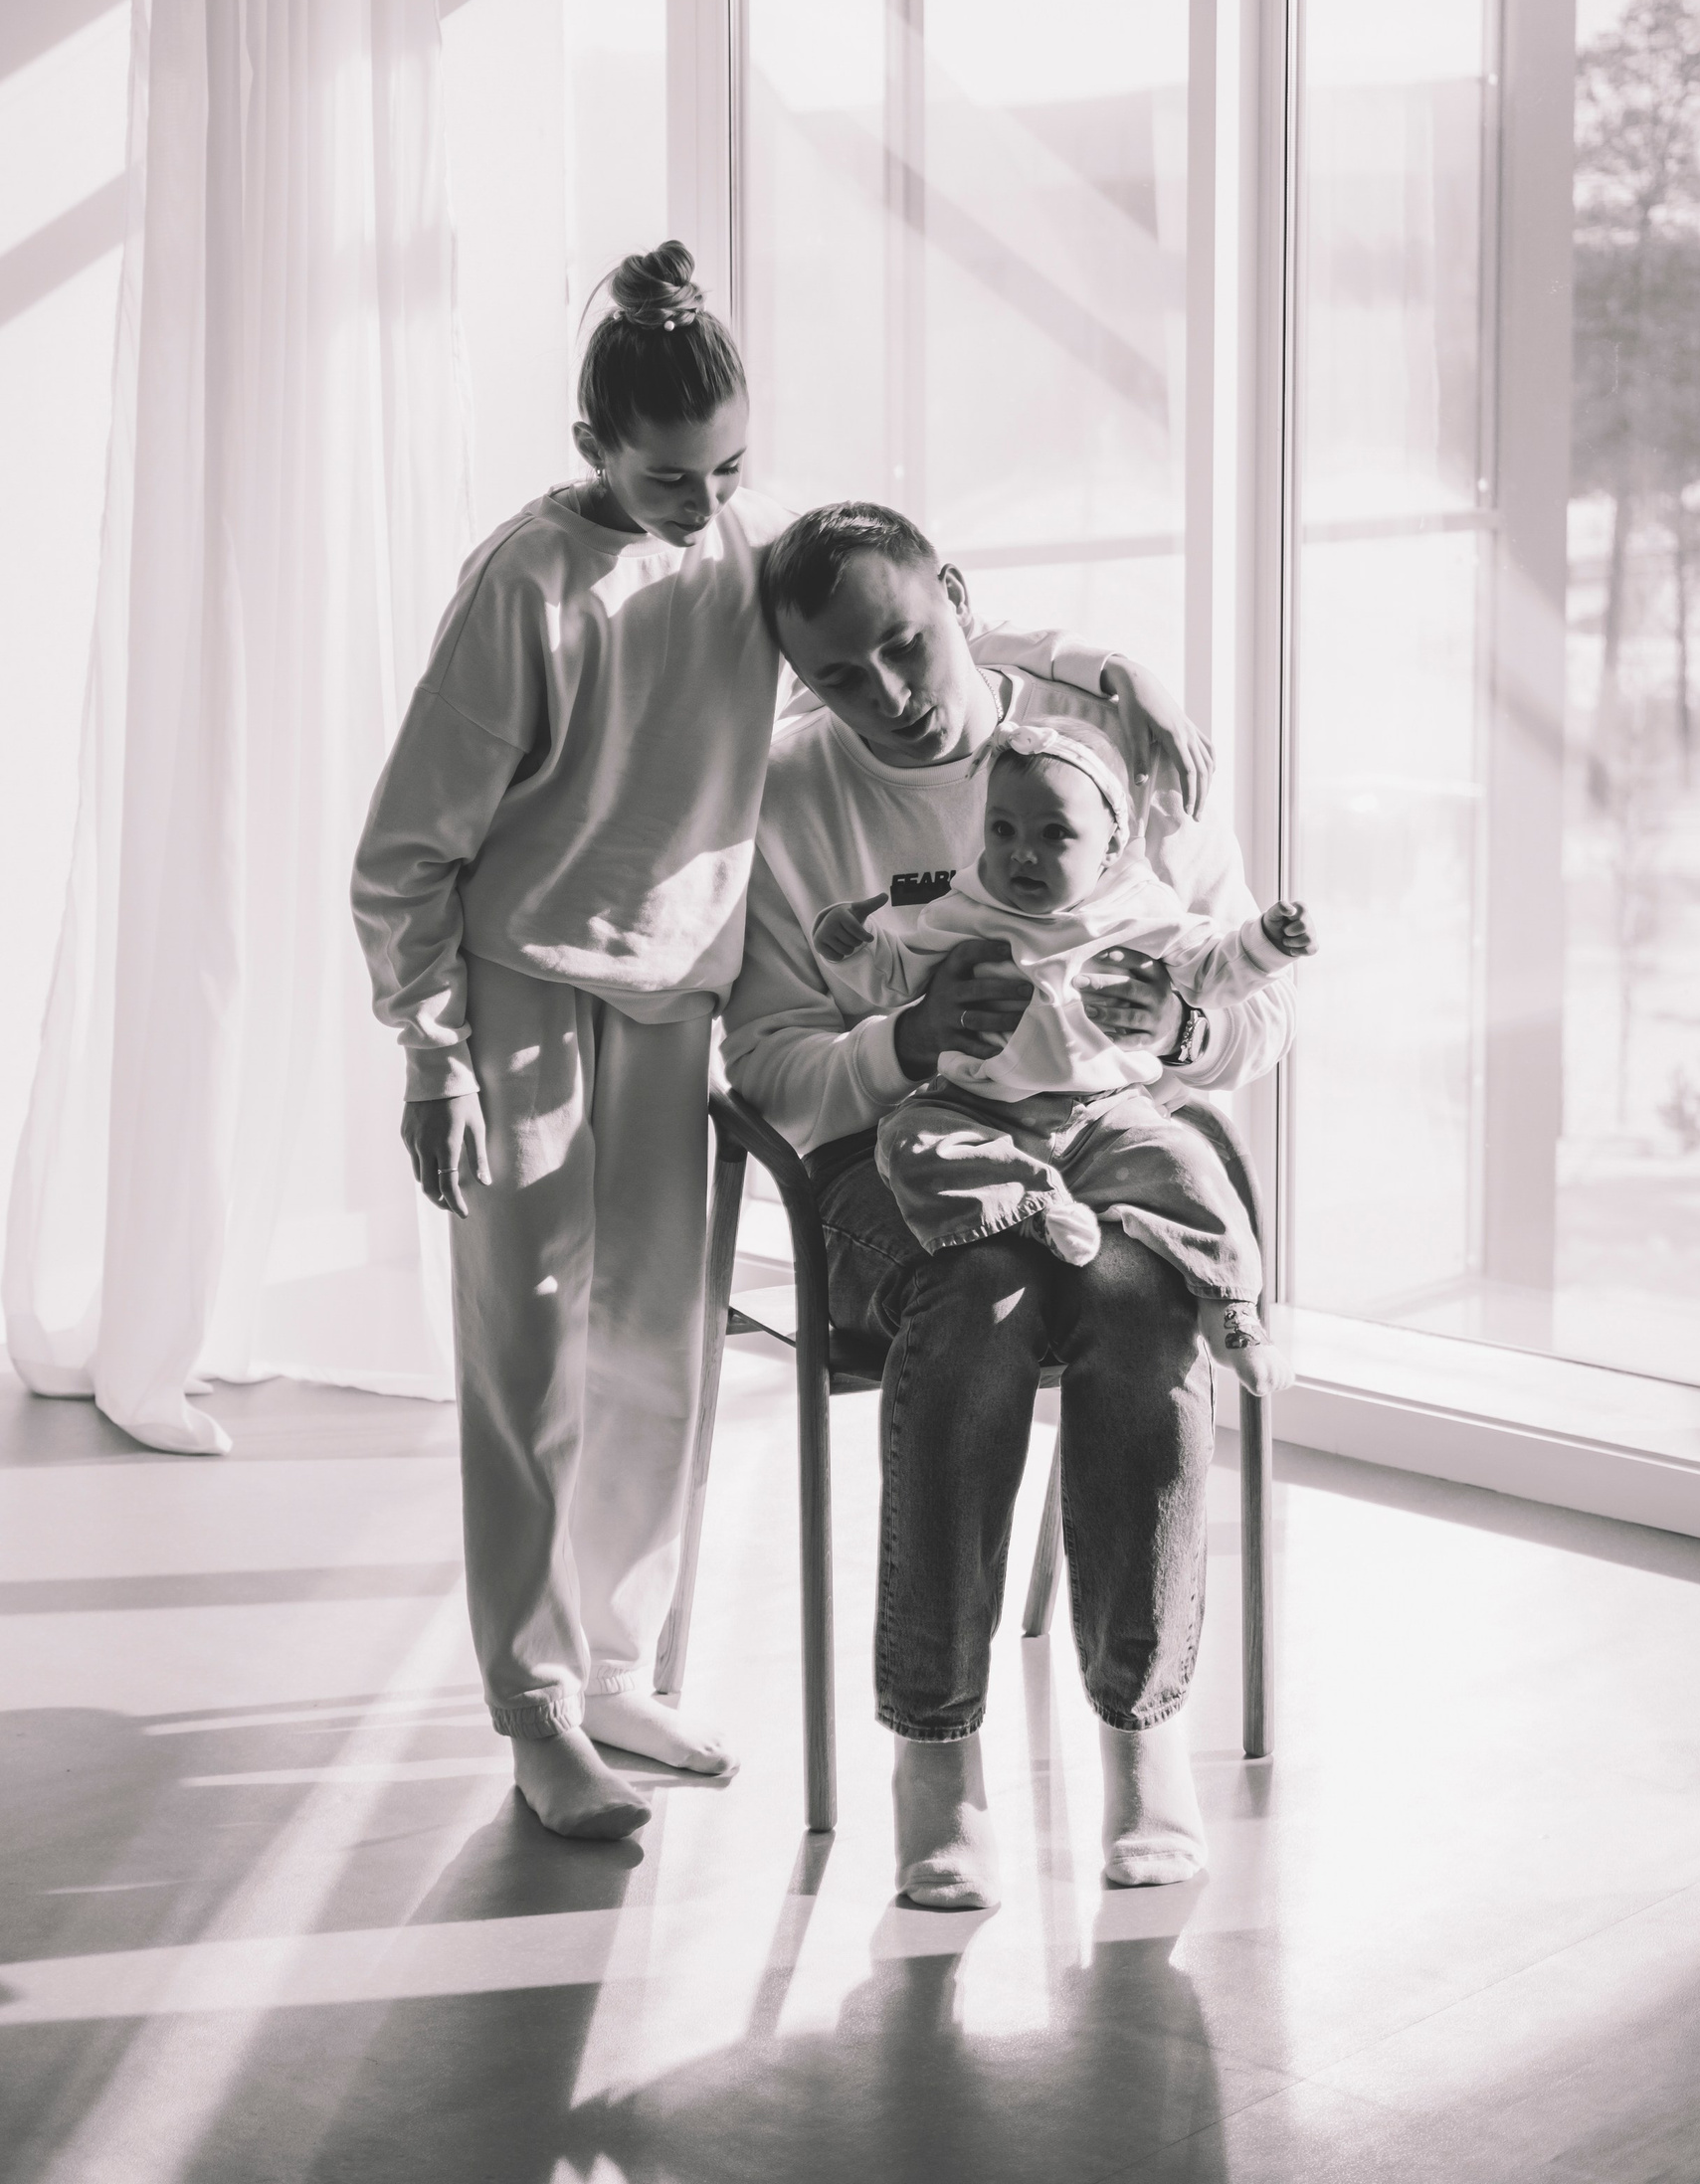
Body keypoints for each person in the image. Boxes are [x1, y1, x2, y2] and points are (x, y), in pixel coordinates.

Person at [352, 254, 1207, 1844]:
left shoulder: (742, 544)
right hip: (522, 997)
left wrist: (1108, 672)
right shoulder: (525, 584)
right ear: (594, 446)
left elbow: (915, 617)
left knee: (653, 1354)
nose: (702, 503)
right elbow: (405, 848)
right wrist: (430, 1048)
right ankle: (536, 1710)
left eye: (729, 471)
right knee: (529, 1359)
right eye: (670, 478)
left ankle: (615, 1669)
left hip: (671, 1001)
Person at [723, 505, 1298, 1909]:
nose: (886, 697)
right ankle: (938, 1757)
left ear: (959, 599)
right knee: (980, 1295)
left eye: (905, 646)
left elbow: (1251, 1016)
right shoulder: (787, 798)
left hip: (1103, 1135)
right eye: (837, 677)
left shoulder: (1120, 750)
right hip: (897, 1161)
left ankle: (1142, 1734)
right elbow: (768, 1069)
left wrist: (1173, 1033)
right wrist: (904, 1043)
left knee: (1138, 1298)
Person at [814, 718, 1312, 1323]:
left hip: (1107, 1114)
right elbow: (897, 975)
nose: (1022, 853)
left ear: (1110, 847)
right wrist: (856, 946)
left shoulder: (1138, 908)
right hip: (979, 1108)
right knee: (908, 1141)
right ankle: (1033, 1210)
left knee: (1190, 1165)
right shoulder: (965, 908)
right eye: (1003, 829)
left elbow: (1213, 969)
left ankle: (1232, 1311)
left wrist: (1265, 945)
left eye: (1054, 834)